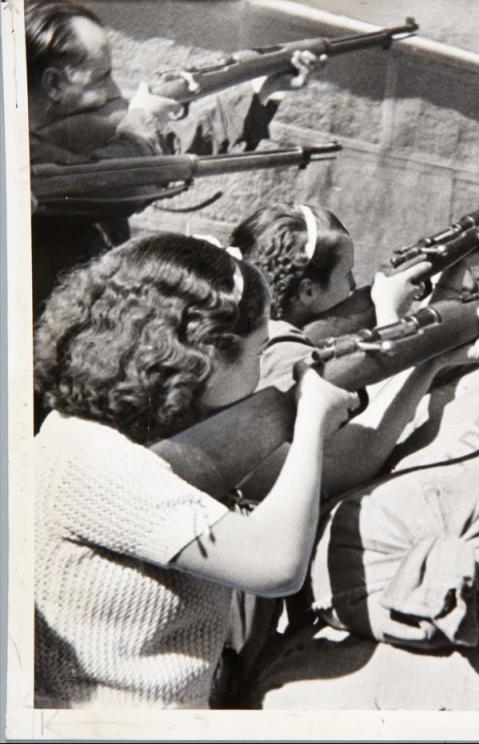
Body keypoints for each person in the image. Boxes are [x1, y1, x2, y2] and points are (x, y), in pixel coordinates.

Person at [33, 233, 359, 709]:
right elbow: (276, 565)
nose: (265, 367)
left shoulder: (81, 431)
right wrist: (310, 421)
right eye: (258, 351)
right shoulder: (95, 462)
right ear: (206, 355)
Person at [26, 0, 325, 318]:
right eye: (102, 79)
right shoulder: (21, 157)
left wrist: (262, 92)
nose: (115, 90)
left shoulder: (72, 141)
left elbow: (165, 151)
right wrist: (143, 118)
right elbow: (111, 180)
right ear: (54, 84)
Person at [229, 202, 479, 500]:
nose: (355, 286)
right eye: (347, 275)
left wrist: (457, 266)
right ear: (309, 292)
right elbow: (337, 467)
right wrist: (389, 312)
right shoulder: (282, 352)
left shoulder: (254, 334)